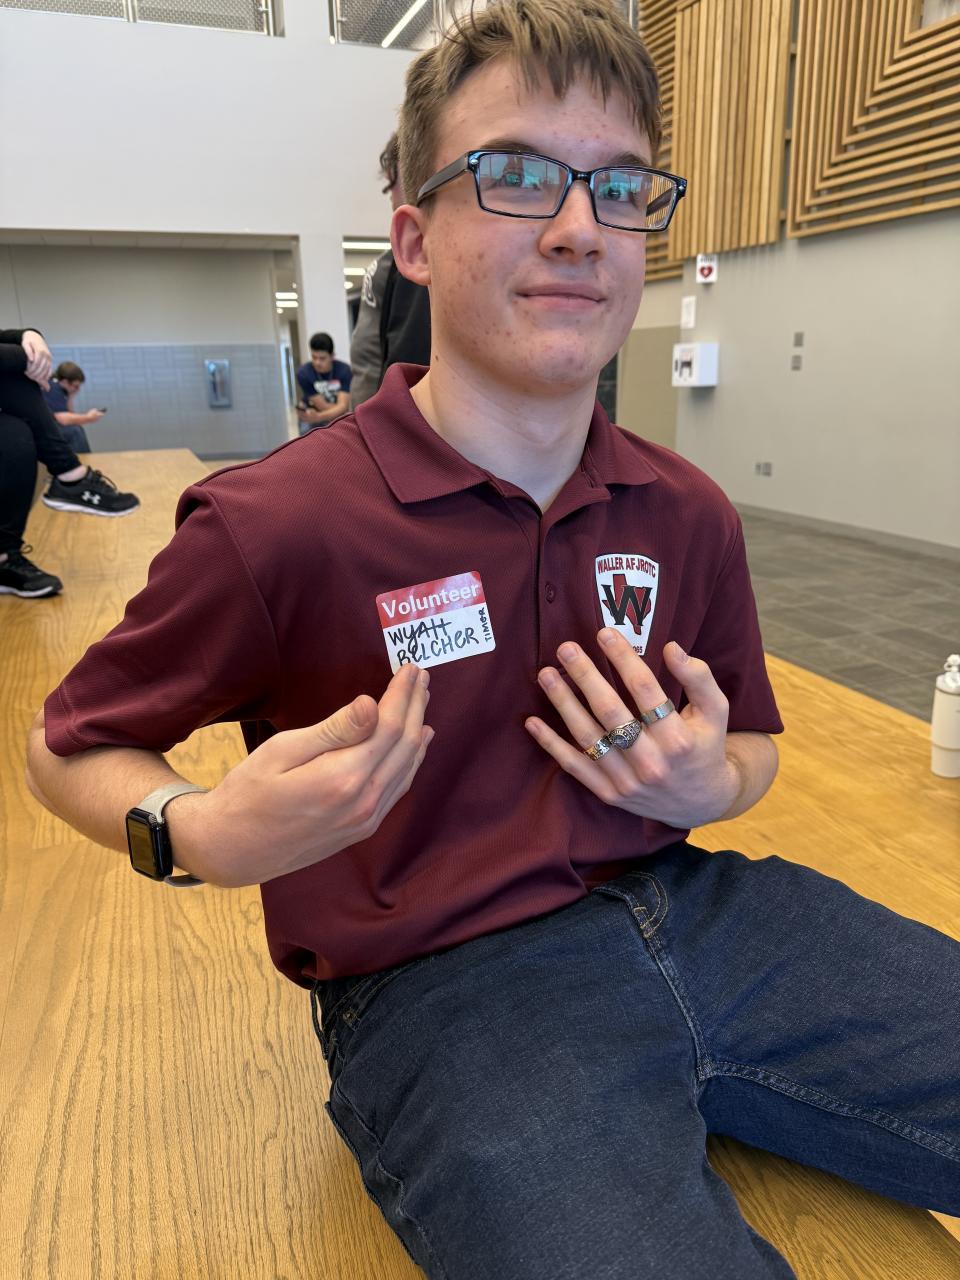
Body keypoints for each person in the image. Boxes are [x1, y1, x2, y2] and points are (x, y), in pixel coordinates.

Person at [24, 3, 960, 1276]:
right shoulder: (276, 524)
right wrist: (192, 830)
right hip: (441, 986)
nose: (579, 226)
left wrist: (712, 781)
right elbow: (66, 745)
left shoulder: (687, 511)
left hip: (709, 914)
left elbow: (751, 745)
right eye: (516, 174)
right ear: (414, 238)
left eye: (618, 187)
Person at [1, 328, 139, 599]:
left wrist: (30, 335)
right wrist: (28, 357)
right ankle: (70, 476)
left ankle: (4, 557)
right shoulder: (54, 388)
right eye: (74, 386)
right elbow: (61, 418)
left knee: (16, 435)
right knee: (69, 428)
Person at [349, 135, 405, 408]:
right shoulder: (386, 268)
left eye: (390, 186)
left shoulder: (390, 267)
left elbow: (368, 364)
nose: (391, 198)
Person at [43, 360, 104, 453]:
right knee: (75, 432)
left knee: (75, 428)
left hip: (47, 427)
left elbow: (69, 414)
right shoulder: (53, 389)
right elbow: (62, 418)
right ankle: (82, 461)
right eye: (76, 386)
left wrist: (71, 396)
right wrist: (88, 418)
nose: (78, 390)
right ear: (64, 382)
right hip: (43, 430)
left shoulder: (60, 390)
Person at [295, 332, 352, 432]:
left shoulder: (345, 370)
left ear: (332, 356)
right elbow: (322, 405)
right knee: (307, 432)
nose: (317, 362)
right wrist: (340, 410)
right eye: (314, 357)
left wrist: (319, 417)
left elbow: (343, 406)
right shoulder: (303, 373)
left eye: (322, 358)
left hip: (322, 415)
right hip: (312, 414)